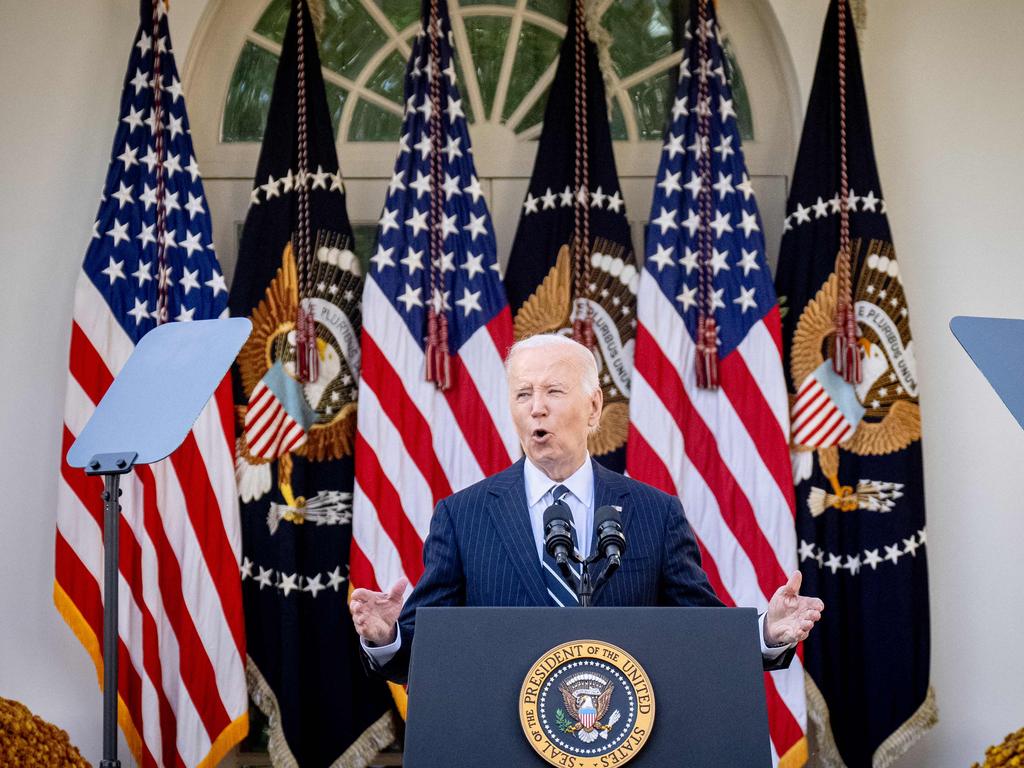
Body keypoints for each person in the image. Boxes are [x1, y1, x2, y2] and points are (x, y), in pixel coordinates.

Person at [351, 334, 823, 683]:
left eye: (553, 391)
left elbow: (698, 631)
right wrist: (386, 636)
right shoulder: (462, 516)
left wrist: (767, 633)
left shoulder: (655, 514)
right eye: (523, 394)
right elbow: (425, 655)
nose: (537, 408)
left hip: (622, 742)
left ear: (594, 407)